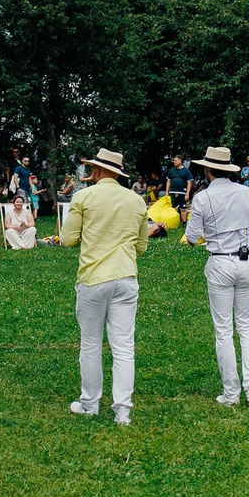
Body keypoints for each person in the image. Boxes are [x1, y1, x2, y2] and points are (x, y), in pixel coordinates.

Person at [59, 149, 150, 423]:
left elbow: (68, 240)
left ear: (97, 171)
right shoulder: (137, 200)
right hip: (126, 277)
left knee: (90, 344)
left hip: (93, 278)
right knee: (124, 346)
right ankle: (122, 410)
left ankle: (90, 403)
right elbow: (142, 247)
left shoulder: (83, 196)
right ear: (117, 173)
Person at [184, 146, 249, 408]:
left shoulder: (203, 198)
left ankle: (231, 392)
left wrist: (208, 232)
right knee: (247, 328)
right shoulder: (247, 193)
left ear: (208, 169)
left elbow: (191, 238)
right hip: (246, 259)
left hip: (220, 260)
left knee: (224, 330)